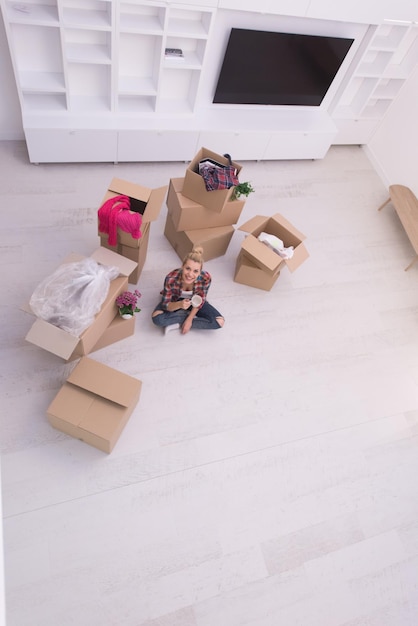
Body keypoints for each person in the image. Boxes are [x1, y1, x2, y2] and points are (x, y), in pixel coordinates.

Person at [152, 246, 224, 335]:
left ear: (200, 272)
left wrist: (189, 320)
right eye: (188, 268)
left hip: (195, 302)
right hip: (175, 300)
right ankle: (186, 317)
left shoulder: (205, 278)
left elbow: (201, 300)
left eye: (195, 271)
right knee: (157, 318)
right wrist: (180, 304)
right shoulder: (171, 278)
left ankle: (179, 322)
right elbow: (165, 304)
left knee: (219, 321)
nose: (190, 274)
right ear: (182, 266)